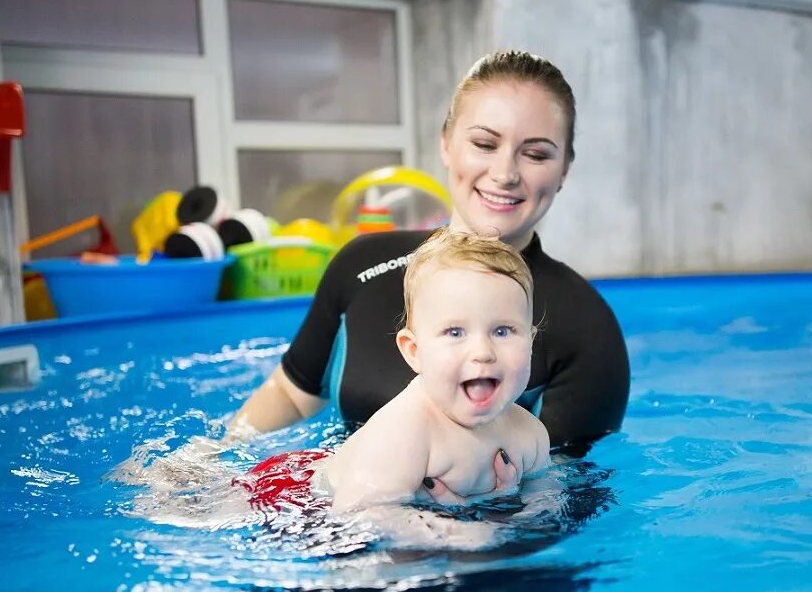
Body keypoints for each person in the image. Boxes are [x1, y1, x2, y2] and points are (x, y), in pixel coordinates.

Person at [229, 49, 630, 468]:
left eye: (536, 154)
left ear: (564, 169)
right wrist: (209, 460)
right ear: (447, 144)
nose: (505, 173)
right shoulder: (361, 266)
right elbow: (292, 395)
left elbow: (560, 496)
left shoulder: (587, 329)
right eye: (484, 143)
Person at [237, 228, 550, 513]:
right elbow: (358, 516)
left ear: (531, 341)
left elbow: (545, 497)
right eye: (455, 333)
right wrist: (453, 534)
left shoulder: (530, 435)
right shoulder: (406, 433)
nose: (482, 352)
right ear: (414, 352)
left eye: (503, 331)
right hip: (295, 495)